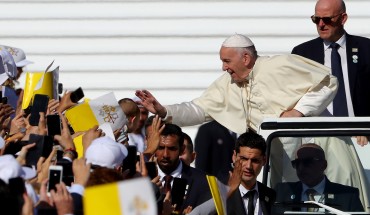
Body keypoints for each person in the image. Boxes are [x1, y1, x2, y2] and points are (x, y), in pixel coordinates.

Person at [136, 33, 337, 134]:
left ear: (246, 58)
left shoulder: (279, 64)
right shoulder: (227, 84)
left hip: (307, 149)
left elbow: (328, 81)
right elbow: (198, 110)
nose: (224, 68)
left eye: (227, 61)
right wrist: (163, 111)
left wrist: (299, 112)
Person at [292, 0, 370, 118]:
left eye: (327, 19)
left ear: (343, 19)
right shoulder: (302, 53)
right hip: (318, 132)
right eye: (316, 19)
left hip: (360, 130)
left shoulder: (366, 48)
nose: (321, 24)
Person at [274, 143, 364, 213]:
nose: (301, 168)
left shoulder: (347, 196)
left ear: (323, 165)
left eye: (307, 162)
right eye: (297, 163)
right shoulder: (282, 192)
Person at [154, 123, 211, 213]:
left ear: (182, 149)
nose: (165, 155)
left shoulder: (203, 181)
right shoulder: (141, 178)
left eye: (172, 149)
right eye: (160, 148)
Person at [227, 132, 276, 215]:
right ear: (234, 157)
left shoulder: (270, 195)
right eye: (243, 159)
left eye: (255, 161)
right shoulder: (218, 193)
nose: (248, 166)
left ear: (264, 161)